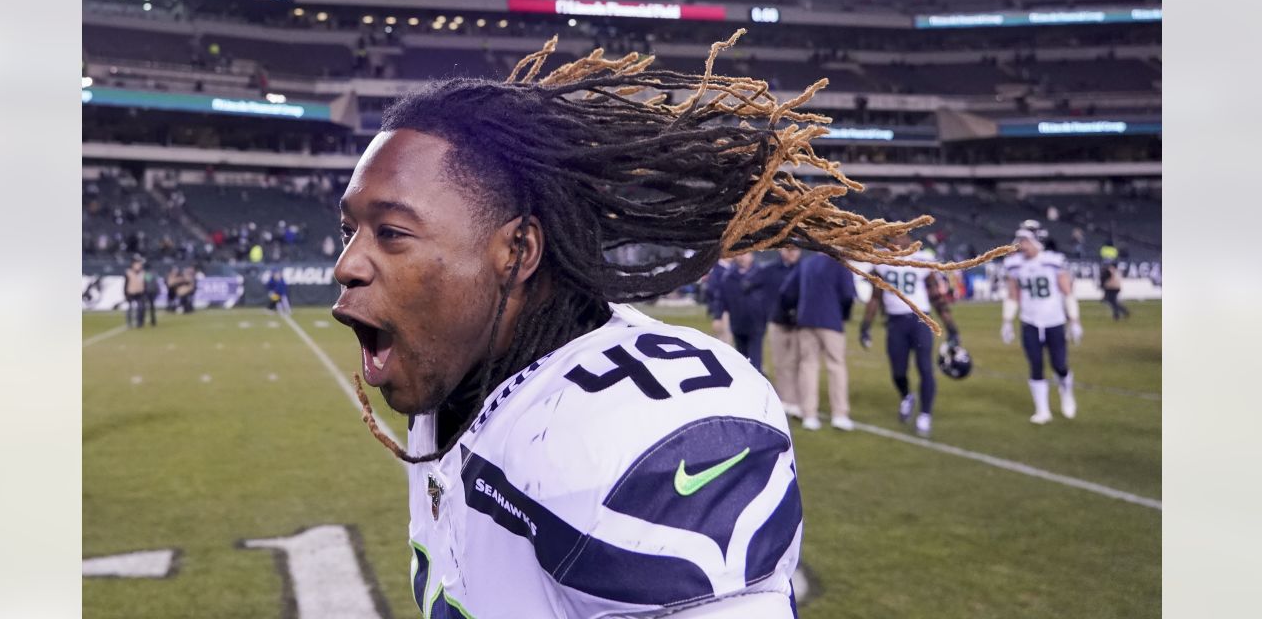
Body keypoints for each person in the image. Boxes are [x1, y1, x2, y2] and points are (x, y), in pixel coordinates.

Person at [327, 33, 1007, 617]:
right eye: (348, 229)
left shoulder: (639, 426)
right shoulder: (461, 375)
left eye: (389, 232)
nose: (346, 266)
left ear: (518, 251)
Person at [858, 237, 961, 438]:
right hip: (895, 323)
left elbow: (936, 297)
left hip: (920, 320)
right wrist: (865, 326)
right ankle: (906, 396)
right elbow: (875, 297)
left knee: (925, 368)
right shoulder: (882, 259)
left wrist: (951, 327)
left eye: (901, 233)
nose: (897, 238)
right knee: (897, 371)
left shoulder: (921, 259)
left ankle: (925, 414)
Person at [1001, 226, 1083, 424]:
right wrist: (1007, 321)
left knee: (1059, 365)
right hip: (1029, 321)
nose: (1022, 245)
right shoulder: (1014, 265)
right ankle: (1042, 410)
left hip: (1054, 321)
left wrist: (1074, 321)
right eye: (1020, 241)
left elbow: (1067, 292)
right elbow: (1013, 295)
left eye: (1026, 241)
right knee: (1035, 365)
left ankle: (1066, 392)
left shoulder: (1053, 261)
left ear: (1037, 241)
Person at [778, 252, 858, 431]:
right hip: (831, 321)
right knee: (836, 366)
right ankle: (839, 414)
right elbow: (847, 295)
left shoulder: (806, 263)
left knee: (808, 366)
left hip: (806, 320)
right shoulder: (839, 262)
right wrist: (841, 315)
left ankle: (809, 415)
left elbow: (787, 291)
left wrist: (794, 311)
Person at [759, 247, 803, 418]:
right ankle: (785, 400)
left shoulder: (805, 269)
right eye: (788, 249)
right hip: (777, 321)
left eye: (795, 250)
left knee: (798, 362)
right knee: (781, 363)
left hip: (799, 324)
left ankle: (799, 400)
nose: (792, 252)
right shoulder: (769, 270)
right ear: (780, 250)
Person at [714, 252, 769, 370]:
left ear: (752, 255)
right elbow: (721, 298)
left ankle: (757, 382)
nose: (742, 257)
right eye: (740, 254)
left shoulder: (761, 273)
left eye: (745, 253)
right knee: (741, 358)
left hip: (756, 323)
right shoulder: (728, 276)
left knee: (755, 359)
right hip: (737, 322)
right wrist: (718, 316)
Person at [703, 257, 735, 345]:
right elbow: (711, 290)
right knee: (725, 339)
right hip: (723, 310)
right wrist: (717, 314)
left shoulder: (729, 268)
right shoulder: (718, 270)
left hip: (731, 309)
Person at [123, 256, 146, 329]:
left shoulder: (143, 273)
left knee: (141, 307)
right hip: (131, 292)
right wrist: (125, 293)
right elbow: (125, 284)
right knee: (130, 308)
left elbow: (146, 282)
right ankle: (129, 323)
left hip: (140, 292)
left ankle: (140, 322)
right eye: (137, 264)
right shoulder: (128, 272)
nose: (139, 266)